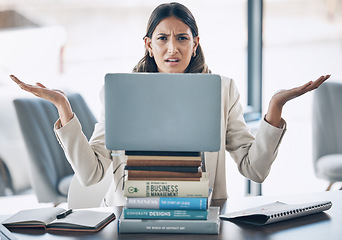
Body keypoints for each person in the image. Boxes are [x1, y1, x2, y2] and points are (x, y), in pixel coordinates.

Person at [10, 2, 330, 206]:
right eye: (162, 38)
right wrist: (64, 110)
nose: (172, 48)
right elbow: (92, 174)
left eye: (182, 37)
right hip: (131, 214)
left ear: (195, 43)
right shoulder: (121, 93)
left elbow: (254, 169)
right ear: (149, 45)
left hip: (205, 215)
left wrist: (274, 109)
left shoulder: (222, 91)